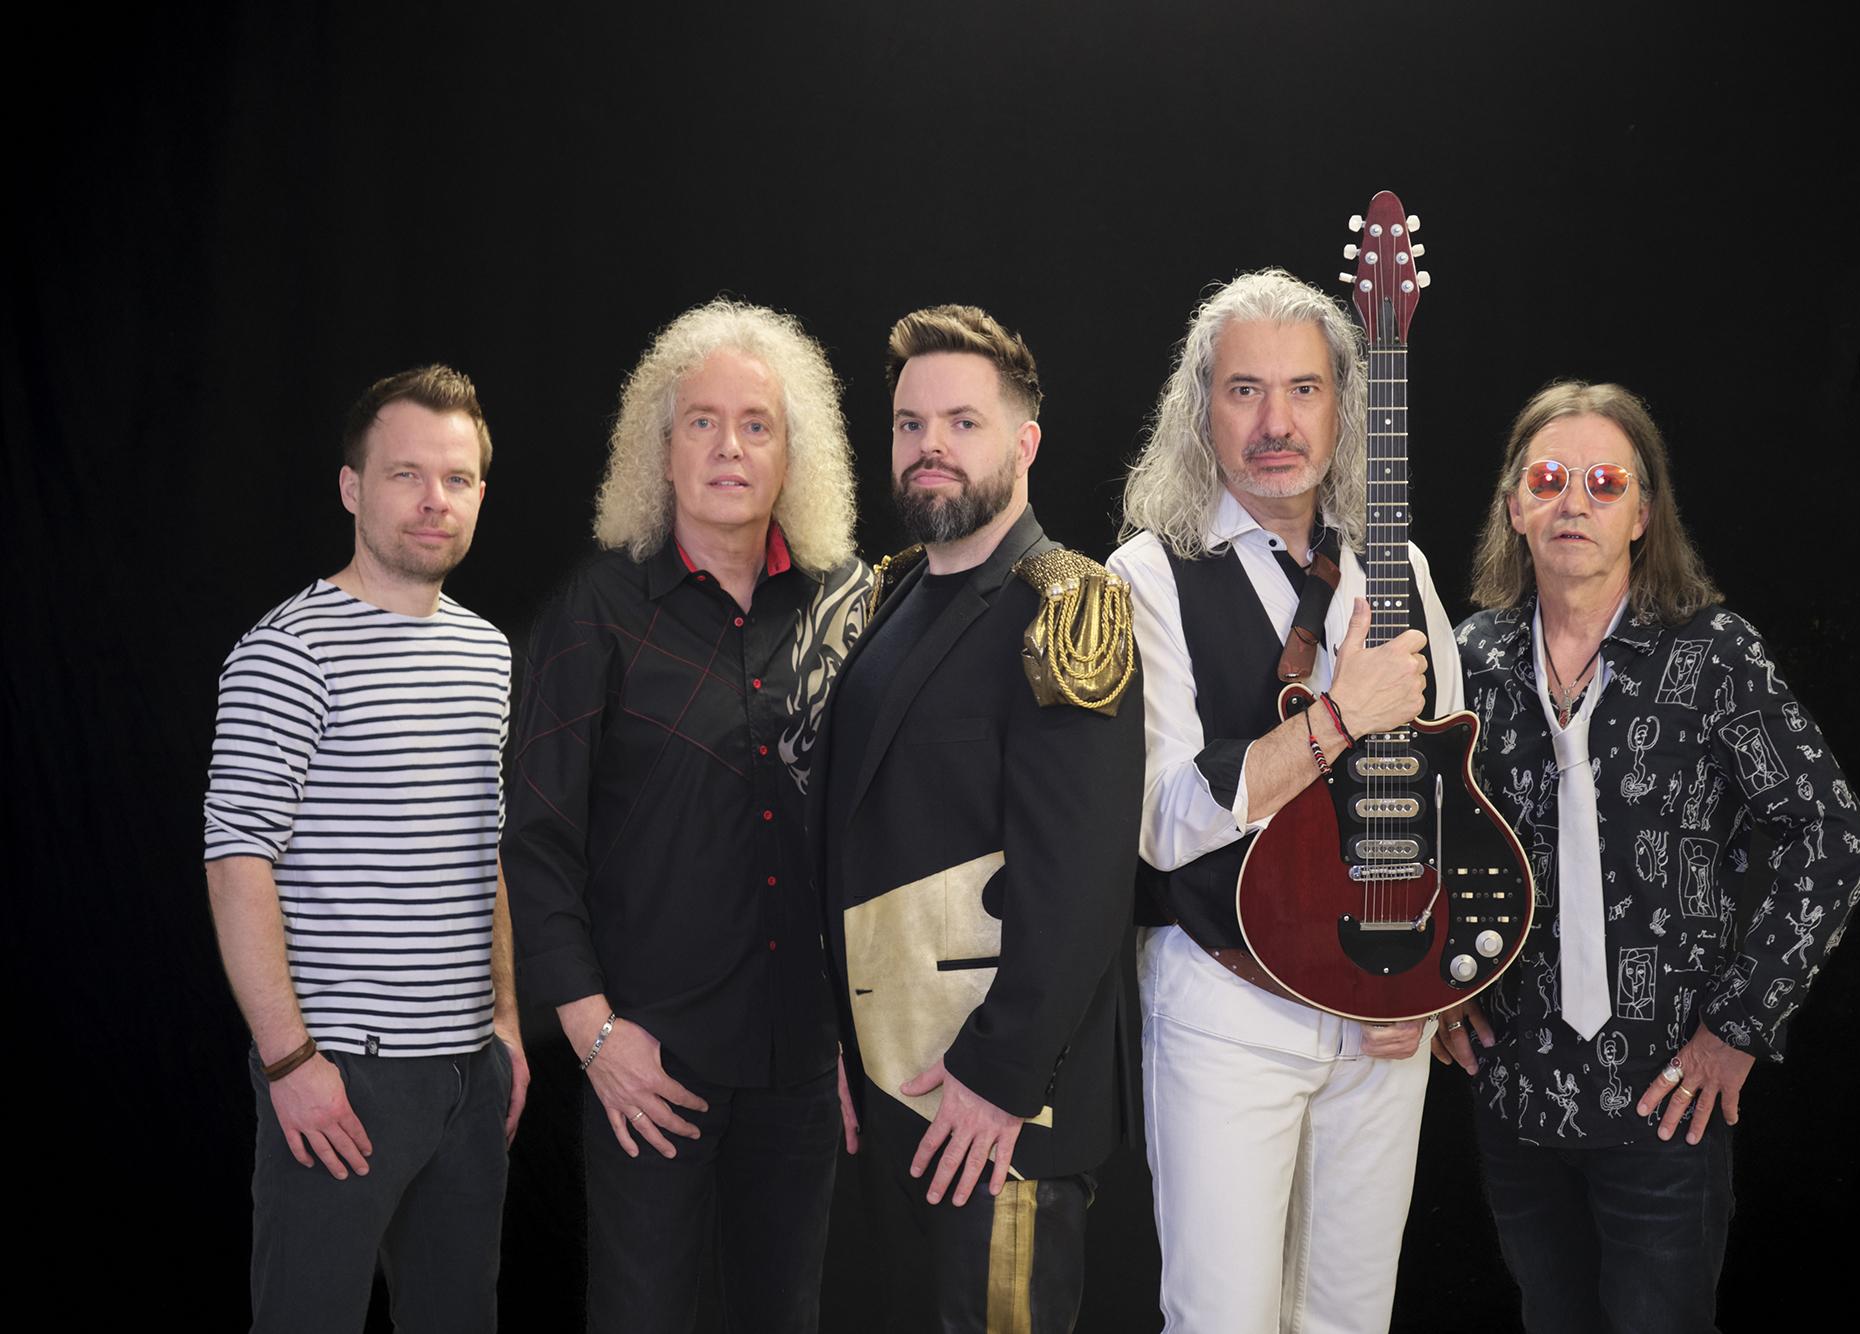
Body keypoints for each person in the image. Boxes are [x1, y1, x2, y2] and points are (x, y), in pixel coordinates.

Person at [1438, 381, 1860, 1333]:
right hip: (1517, 1096)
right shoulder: (1467, 662)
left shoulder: (1713, 657)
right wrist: (1436, 987)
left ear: (1642, 513)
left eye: (1605, 483)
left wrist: (1739, 1028)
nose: (1574, 502)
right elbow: (1427, 840)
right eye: (1548, 480)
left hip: (1666, 1100)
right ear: (1514, 507)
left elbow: (1833, 837)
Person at [502, 300, 869, 1333]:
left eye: (756, 424)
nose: (728, 447)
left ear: (792, 453)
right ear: (660, 452)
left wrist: (862, 1031)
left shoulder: (847, 605)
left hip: (802, 1064)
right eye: (701, 422)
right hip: (648, 1065)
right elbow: (535, 838)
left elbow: (872, 834)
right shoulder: (598, 610)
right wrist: (594, 1035)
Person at [1108, 268, 1461, 1334]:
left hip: (1380, 1012)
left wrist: (1427, 984)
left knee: (1350, 1317)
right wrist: (1336, 717)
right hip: (1226, 1005)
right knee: (1223, 1318)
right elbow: (1160, 818)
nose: (1276, 422)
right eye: (1245, 391)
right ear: (1200, 411)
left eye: (1304, 389)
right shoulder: (1147, 575)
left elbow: (1450, 790)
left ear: (1342, 406)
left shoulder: (1396, 567)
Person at [815, 304, 1144, 1332]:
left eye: (963, 422)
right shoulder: (889, 597)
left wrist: (999, 1079)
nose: (931, 447)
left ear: (1024, 443)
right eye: (910, 424)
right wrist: (844, 1038)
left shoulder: (1068, 607)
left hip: (1002, 1111)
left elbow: (1081, 881)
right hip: (891, 1088)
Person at [202, 364, 528, 1333]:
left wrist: (507, 1025)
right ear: (352, 487)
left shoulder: (486, 653)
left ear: (479, 494)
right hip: (342, 1073)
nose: (434, 500)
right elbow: (236, 858)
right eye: (405, 474)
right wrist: (289, 1061)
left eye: (457, 478)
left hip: (468, 1073)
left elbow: (484, 847)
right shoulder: (287, 651)